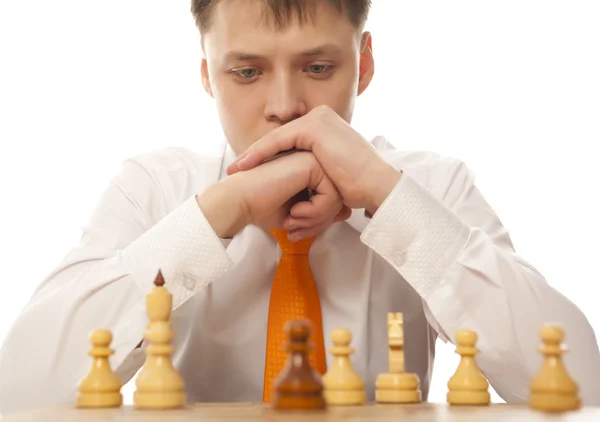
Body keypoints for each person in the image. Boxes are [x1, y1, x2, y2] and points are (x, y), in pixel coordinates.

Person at [0, 0, 598, 414]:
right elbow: (17, 391)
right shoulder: (153, 190)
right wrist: (221, 210)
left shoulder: (432, 188)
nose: (285, 105)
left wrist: (388, 198)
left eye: (317, 67)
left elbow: (584, 386)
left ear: (362, 64)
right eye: (246, 71)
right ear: (208, 73)